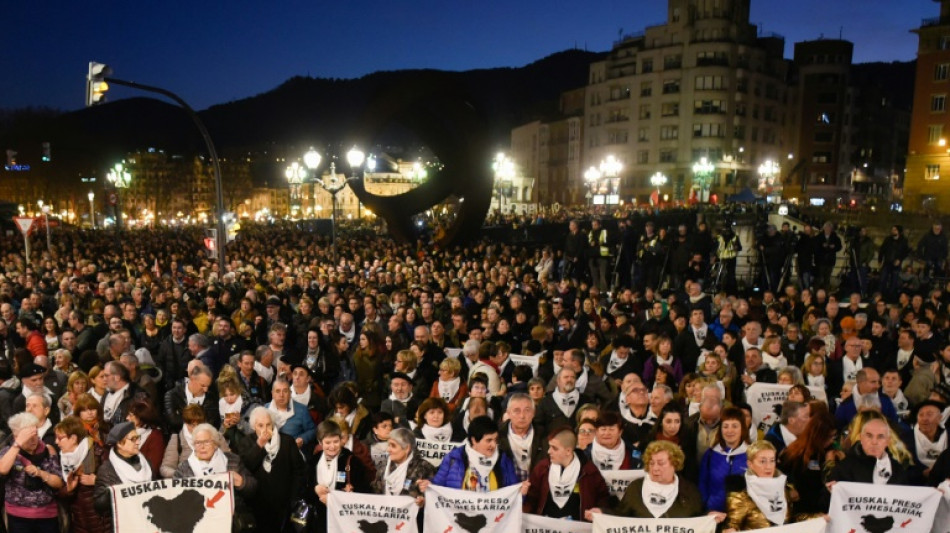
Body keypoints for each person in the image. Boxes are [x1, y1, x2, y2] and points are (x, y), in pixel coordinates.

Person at [229, 407, 306, 532]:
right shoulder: (246, 442)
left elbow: (299, 470)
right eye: (260, 425)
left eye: (268, 424)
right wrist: (259, 445)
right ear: (254, 426)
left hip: (284, 503)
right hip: (257, 504)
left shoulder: (287, 441)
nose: (265, 429)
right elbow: (246, 466)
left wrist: (294, 497)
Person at [589, 440, 706, 519]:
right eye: (651, 463)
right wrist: (603, 514)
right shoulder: (636, 488)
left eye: (661, 463)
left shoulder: (689, 491)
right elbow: (621, 516)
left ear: (675, 464)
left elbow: (699, 520)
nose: (655, 468)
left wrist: (710, 516)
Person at [174, 423, 257, 532]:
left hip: (232, 522)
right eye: (198, 443)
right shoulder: (184, 468)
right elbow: (176, 500)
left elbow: (253, 489)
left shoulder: (232, 460)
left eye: (207, 442)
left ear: (216, 444)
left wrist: (241, 482)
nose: (202, 447)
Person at [523, 426, 609, 521]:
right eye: (549, 446)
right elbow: (531, 500)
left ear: (568, 451)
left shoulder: (589, 471)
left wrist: (600, 511)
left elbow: (603, 498)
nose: (549, 451)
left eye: (554, 448)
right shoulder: (542, 468)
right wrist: (522, 496)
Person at [0, 412, 64, 533]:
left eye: (35, 434)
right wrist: (17, 444)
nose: (33, 439)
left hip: (47, 515)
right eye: (28, 436)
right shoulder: (8, 452)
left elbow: (59, 483)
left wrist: (41, 473)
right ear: (16, 436)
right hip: (18, 517)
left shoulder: (48, 450)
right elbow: (2, 469)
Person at [430, 415, 520, 491]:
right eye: (488, 440)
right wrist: (426, 489)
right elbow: (436, 487)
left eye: (495, 440)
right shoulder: (453, 458)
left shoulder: (504, 460)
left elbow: (513, 494)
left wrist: (521, 492)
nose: (493, 444)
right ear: (474, 440)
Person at [310, 420, 372, 529]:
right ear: (320, 442)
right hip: (318, 520)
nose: (332, 447)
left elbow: (365, 490)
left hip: (343, 521)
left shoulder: (352, 461)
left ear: (341, 440)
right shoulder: (314, 460)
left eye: (336, 441)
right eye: (328, 442)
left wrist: (351, 492)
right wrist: (314, 489)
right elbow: (302, 488)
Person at [55, 416, 110, 533]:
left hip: (102, 522)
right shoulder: (62, 459)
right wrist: (69, 490)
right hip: (79, 522)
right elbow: (59, 493)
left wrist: (97, 481)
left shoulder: (99, 453)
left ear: (73, 438)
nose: (56, 442)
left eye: (60, 438)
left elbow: (116, 483)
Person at [93, 422, 153, 529]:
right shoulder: (107, 470)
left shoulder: (146, 462)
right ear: (119, 444)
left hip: (148, 523)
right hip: (125, 525)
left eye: (138, 437)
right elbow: (98, 505)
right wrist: (112, 492)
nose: (138, 442)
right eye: (133, 439)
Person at [724, 441, 792, 531]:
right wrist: (730, 530)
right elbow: (732, 525)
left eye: (772, 460)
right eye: (762, 461)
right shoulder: (741, 494)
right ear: (750, 464)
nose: (768, 466)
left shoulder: (783, 487)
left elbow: (792, 520)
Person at [828, 411, 909, 485]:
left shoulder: (898, 469)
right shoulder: (845, 467)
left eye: (880, 436)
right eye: (869, 436)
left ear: (888, 440)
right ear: (860, 437)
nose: (874, 442)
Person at [699, 406, 749, 513]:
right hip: (713, 514)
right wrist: (707, 507)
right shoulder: (710, 454)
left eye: (735, 426)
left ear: (743, 429)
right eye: (725, 426)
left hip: (742, 518)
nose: (729, 431)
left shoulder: (752, 455)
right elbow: (702, 483)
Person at [371, 427, 435, 506]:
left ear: (407, 448)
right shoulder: (383, 467)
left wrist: (423, 501)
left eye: (393, 446)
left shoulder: (424, 467)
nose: (388, 449)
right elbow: (376, 493)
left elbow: (433, 498)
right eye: (388, 445)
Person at [267, 377, 316, 449]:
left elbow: (313, 430)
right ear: (272, 394)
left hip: (293, 450)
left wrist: (302, 439)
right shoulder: (265, 409)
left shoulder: (301, 410)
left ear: (290, 393)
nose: (281, 395)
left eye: (285, 391)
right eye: (277, 391)